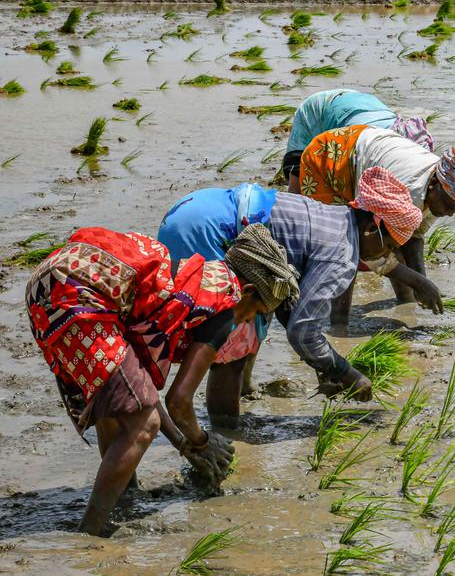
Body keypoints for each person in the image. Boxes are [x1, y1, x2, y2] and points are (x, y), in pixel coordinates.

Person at [26, 224, 298, 535]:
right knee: (142, 424)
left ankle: (125, 494)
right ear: (247, 292)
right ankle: (90, 532)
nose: (249, 320)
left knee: (122, 403)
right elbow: (178, 402)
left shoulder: (192, 281)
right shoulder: (224, 305)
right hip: (79, 293)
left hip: (49, 282)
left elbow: (144, 396)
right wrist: (202, 442)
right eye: (257, 311)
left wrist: (184, 446)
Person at [158, 171, 427, 426]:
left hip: (194, 208)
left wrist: (322, 365)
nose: (386, 253)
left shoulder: (336, 216)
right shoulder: (341, 255)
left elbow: (291, 304)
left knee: (248, 319)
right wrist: (348, 374)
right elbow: (303, 331)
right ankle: (225, 433)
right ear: (371, 228)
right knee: (233, 341)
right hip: (211, 232)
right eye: (389, 245)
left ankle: (224, 409)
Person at [298, 124, 455, 321]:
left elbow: (414, 234)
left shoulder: (441, 190)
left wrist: (420, 279)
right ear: (435, 184)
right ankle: (338, 323)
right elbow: (368, 248)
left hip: (366, 148)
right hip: (330, 158)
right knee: (345, 246)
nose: (448, 214)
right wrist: (419, 283)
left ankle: (406, 304)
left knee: (394, 239)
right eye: (448, 207)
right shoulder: (408, 191)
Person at [280, 88, 435, 192]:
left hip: (364, 103)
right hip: (322, 107)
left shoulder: (414, 158)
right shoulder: (367, 149)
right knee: (299, 174)